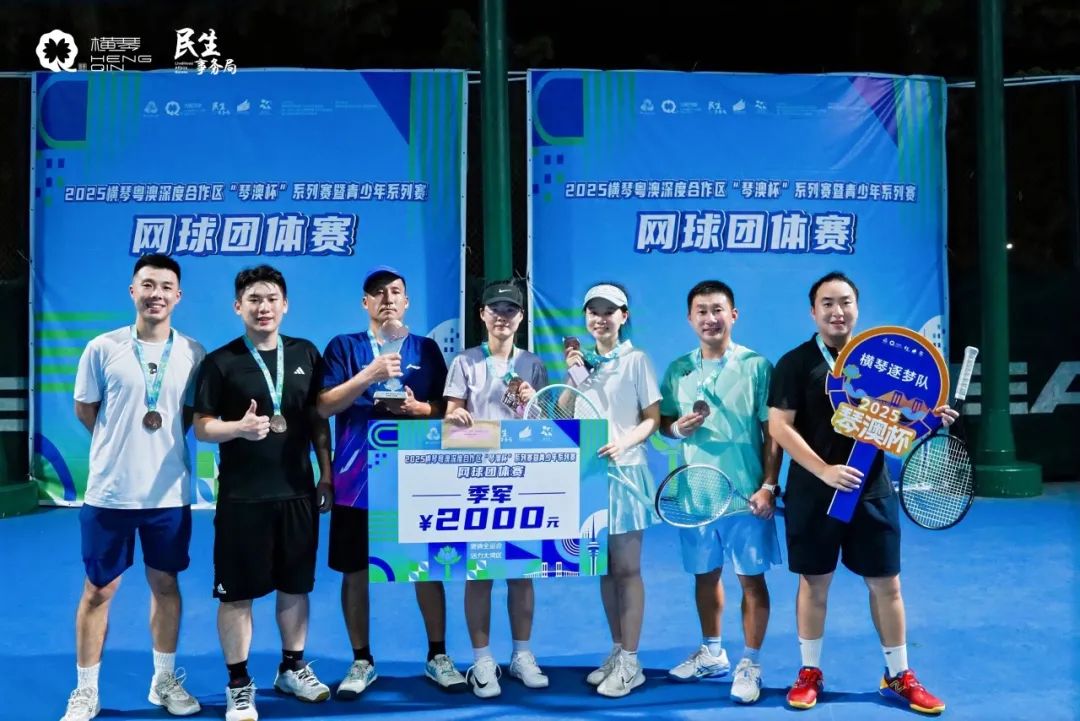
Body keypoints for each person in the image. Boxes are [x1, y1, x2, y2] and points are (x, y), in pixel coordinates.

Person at [767, 270, 956, 714]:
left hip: (872, 491)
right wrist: (824, 471)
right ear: (813, 312)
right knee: (814, 583)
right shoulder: (795, 363)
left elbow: (902, 423)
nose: (837, 311)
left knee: (886, 584)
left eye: (845, 302)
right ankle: (809, 672)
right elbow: (779, 427)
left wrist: (931, 419)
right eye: (827, 303)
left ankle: (899, 674)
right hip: (814, 492)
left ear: (857, 308)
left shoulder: (882, 360)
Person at [64, 254, 204, 721]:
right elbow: (87, 410)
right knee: (98, 590)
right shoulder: (102, 348)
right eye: (147, 285)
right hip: (110, 494)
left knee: (166, 585)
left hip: (168, 496)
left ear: (178, 296)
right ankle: (86, 690)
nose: (155, 294)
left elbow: (188, 417)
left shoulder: (194, 353)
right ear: (132, 291)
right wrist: (118, 447)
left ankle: (163, 680)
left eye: (165, 287)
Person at [316, 265, 467, 695]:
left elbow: (447, 409)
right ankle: (361, 660)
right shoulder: (344, 347)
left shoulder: (426, 349)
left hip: (416, 478)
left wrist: (420, 410)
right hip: (356, 480)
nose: (387, 299)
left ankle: (438, 655)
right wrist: (369, 375)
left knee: (426, 568)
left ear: (407, 302)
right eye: (378, 292)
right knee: (355, 572)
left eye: (395, 292)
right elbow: (324, 406)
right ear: (365, 302)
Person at [194, 265, 332, 721]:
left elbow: (317, 421)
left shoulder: (306, 353)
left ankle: (292, 668)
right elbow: (202, 426)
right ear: (238, 307)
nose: (263, 307)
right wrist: (238, 428)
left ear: (285, 304)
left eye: (271, 298)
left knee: (296, 587)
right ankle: (238, 684)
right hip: (243, 499)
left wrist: (326, 474)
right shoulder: (221, 362)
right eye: (253, 299)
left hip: (297, 494)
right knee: (236, 596)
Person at [658, 279, 783, 705]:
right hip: (696, 495)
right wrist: (676, 428)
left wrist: (768, 486)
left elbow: (772, 432)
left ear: (733, 315)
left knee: (751, 580)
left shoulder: (757, 366)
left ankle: (751, 662)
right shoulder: (678, 369)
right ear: (689, 318)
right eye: (702, 311)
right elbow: (664, 422)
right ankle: (712, 652)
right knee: (705, 575)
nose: (710, 319)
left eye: (717, 310)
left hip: (746, 495)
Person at [443, 281, 549, 699]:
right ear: (482, 315)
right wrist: (457, 418)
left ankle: (522, 655)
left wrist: (531, 402)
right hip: (476, 480)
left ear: (521, 317)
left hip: (522, 479)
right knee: (482, 573)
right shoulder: (465, 361)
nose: (502, 317)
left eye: (510, 310)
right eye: (495, 309)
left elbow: (544, 423)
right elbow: (451, 412)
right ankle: (483, 659)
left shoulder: (533, 364)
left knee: (521, 573)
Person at [562, 283, 662, 698]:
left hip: (626, 473)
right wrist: (572, 374)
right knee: (604, 569)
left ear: (623, 316)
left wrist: (624, 442)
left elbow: (652, 418)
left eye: (609, 311)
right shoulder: (582, 363)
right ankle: (618, 650)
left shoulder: (637, 360)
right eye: (593, 311)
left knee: (627, 569)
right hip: (589, 477)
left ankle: (632, 663)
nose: (600, 319)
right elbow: (563, 412)